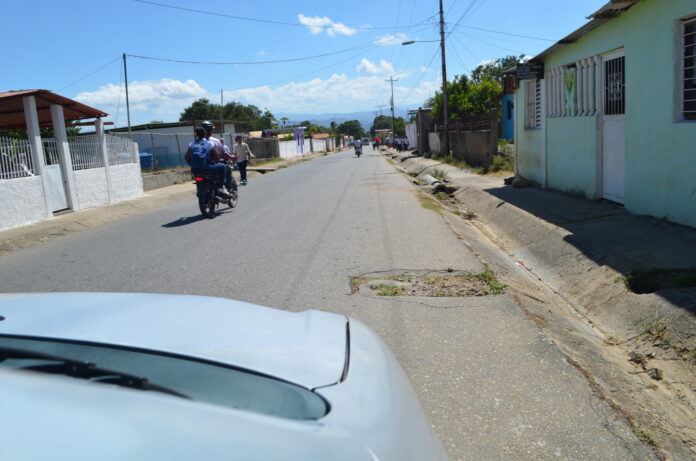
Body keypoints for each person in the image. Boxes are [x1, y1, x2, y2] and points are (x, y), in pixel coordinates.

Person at [185, 127, 226, 195]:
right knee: (222, 167)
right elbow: (216, 157)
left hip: (195, 170)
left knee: (198, 179)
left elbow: (186, 157)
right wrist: (216, 162)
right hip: (207, 168)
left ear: (196, 135)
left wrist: (192, 165)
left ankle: (199, 189)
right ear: (204, 134)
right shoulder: (209, 143)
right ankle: (221, 187)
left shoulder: (192, 144)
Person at [201, 121, 231, 192]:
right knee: (224, 167)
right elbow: (223, 153)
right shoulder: (213, 141)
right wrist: (230, 157)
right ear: (210, 130)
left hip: (198, 168)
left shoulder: (195, 142)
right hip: (210, 166)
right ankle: (221, 187)